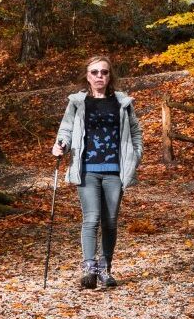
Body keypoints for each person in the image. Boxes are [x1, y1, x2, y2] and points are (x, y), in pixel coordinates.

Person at [52, 56, 143, 289]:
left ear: (110, 75)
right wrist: (60, 143)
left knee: (110, 222)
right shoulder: (78, 102)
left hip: (115, 171)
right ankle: (89, 269)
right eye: (94, 72)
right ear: (87, 75)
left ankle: (105, 267)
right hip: (87, 171)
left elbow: (135, 131)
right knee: (91, 219)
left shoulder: (122, 102)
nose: (99, 76)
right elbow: (66, 128)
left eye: (104, 72)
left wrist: (136, 154)